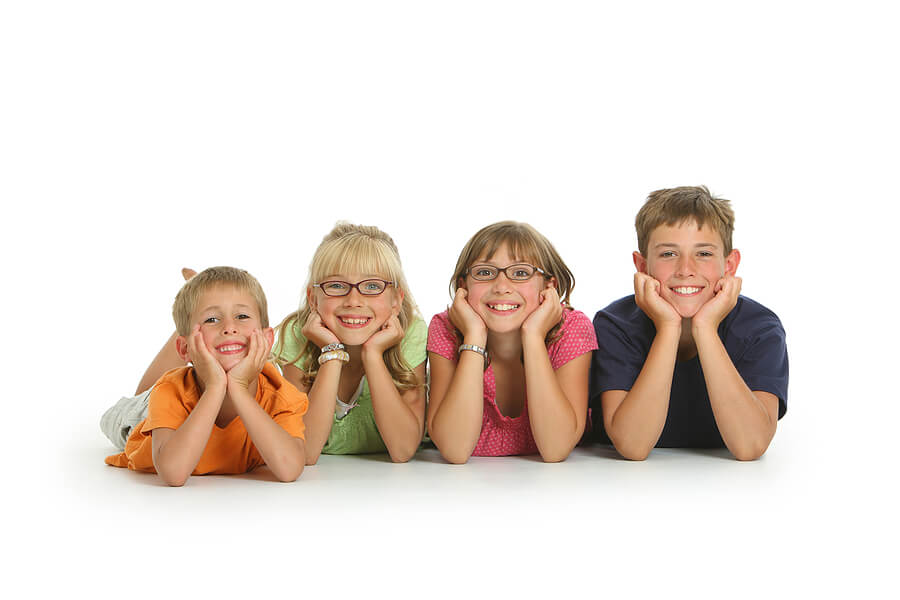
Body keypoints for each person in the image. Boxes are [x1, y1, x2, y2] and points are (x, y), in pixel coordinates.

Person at [590, 186, 789, 461]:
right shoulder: (615, 325)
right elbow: (633, 446)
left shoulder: (760, 328)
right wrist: (668, 328)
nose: (685, 269)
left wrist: (705, 328)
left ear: (729, 265)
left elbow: (751, 445)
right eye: (668, 254)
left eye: (704, 254)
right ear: (642, 265)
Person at [103, 266, 308, 485]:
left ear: (267, 340)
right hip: (141, 418)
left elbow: (289, 469)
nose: (229, 327)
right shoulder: (170, 391)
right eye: (212, 320)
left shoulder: (280, 393)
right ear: (183, 351)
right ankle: (190, 316)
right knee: (141, 398)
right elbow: (173, 474)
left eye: (242, 316)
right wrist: (215, 387)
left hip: (189, 380)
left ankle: (198, 304)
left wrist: (237, 387)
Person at [426, 221, 598, 463]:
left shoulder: (571, 329)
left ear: (549, 287)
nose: (502, 287)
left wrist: (534, 335)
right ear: (463, 286)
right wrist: (474, 335)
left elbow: (555, 448)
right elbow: (454, 450)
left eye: (520, 273)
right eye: (485, 272)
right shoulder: (445, 329)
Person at [273, 222, 427, 464]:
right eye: (336, 286)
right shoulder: (297, 334)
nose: (354, 301)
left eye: (372, 286)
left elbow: (403, 450)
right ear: (313, 299)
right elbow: (304, 452)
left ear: (396, 300)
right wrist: (332, 354)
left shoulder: (411, 334)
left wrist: (373, 355)